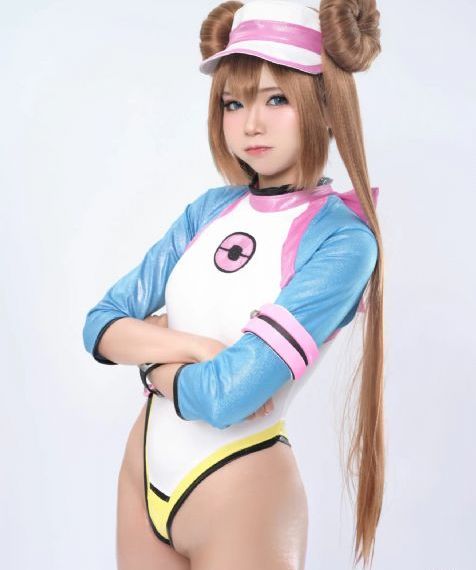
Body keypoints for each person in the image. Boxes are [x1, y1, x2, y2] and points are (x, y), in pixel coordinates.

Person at [82, 1, 385, 568]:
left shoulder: (342, 240)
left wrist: (149, 362)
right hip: (141, 470)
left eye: (277, 99)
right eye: (234, 102)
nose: (251, 124)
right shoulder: (208, 210)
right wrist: (198, 347)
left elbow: (227, 398)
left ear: (325, 105)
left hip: (240, 488)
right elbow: (100, 324)